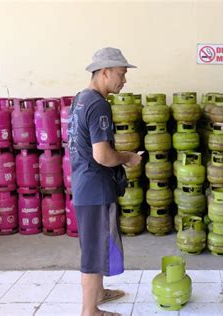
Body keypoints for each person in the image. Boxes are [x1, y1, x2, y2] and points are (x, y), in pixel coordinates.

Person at [68, 47, 142, 316]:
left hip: (82, 183)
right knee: (94, 249)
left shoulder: (80, 99)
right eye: (121, 74)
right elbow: (103, 155)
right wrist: (128, 158)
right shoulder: (99, 104)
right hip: (96, 188)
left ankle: (99, 292)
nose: (124, 80)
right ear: (105, 71)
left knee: (94, 243)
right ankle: (90, 311)